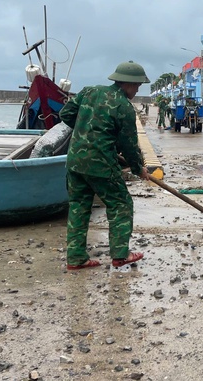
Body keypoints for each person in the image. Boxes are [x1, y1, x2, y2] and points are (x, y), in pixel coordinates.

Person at [60, 60, 150, 270]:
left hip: (75, 162)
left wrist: (87, 131)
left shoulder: (89, 91)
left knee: (79, 207)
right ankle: (120, 254)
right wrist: (138, 169)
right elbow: (129, 145)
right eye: (137, 85)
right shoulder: (124, 108)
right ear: (127, 83)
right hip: (101, 165)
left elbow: (65, 114)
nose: (137, 89)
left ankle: (76, 258)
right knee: (121, 205)